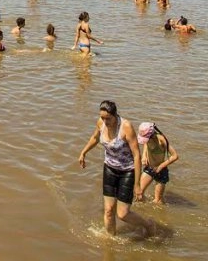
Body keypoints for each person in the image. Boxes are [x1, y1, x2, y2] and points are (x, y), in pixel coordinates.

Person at [77, 100, 157, 238]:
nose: (105, 121)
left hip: (127, 171)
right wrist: (83, 152)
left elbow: (137, 155)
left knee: (123, 214)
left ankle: (147, 224)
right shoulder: (101, 123)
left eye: (108, 118)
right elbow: (95, 138)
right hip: (109, 169)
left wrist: (137, 185)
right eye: (102, 118)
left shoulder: (126, 127)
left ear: (115, 115)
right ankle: (110, 241)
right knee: (108, 211)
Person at [136, 122, 179, 204]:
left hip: (161, 170)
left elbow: (175, 156)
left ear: (151, 135)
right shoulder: (148, 139)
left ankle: (161, 214)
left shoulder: (161, 139)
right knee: (139, 194)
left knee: (157, 201)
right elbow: (146, 143)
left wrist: (160, 166)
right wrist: (144, 155)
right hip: (149, 168)